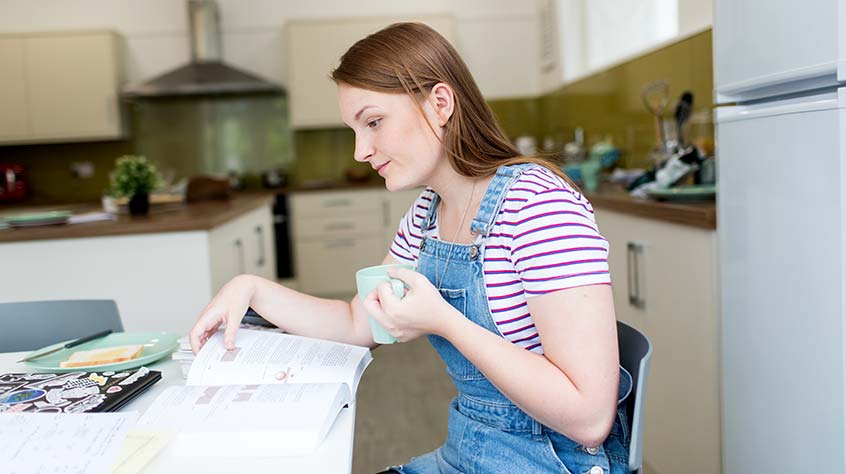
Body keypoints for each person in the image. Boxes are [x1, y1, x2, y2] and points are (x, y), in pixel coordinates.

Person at [189, 22, 632, 474]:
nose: (361, 150)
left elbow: (590, 417)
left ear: (440, 103)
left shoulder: (537, 205)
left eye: (374, 122)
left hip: (550, 462)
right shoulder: (426, 215)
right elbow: (358, 323)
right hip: (468, 455)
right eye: (354, 130)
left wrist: (446, 321)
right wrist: (252, 289)